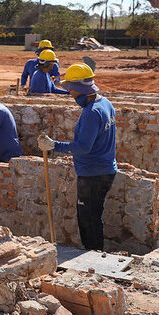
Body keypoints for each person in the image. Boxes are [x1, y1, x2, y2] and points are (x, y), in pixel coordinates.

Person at [37, 63, 117, 251]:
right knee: (94, 215)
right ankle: (95, 252)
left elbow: (83, 148)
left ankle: (93, 255)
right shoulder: (105, 103)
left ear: (80, 89)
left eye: (71, 90)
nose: (71, 94)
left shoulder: (91, 112)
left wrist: (54, 145)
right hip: (105, 169)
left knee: (88, 219)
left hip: (93, 175)